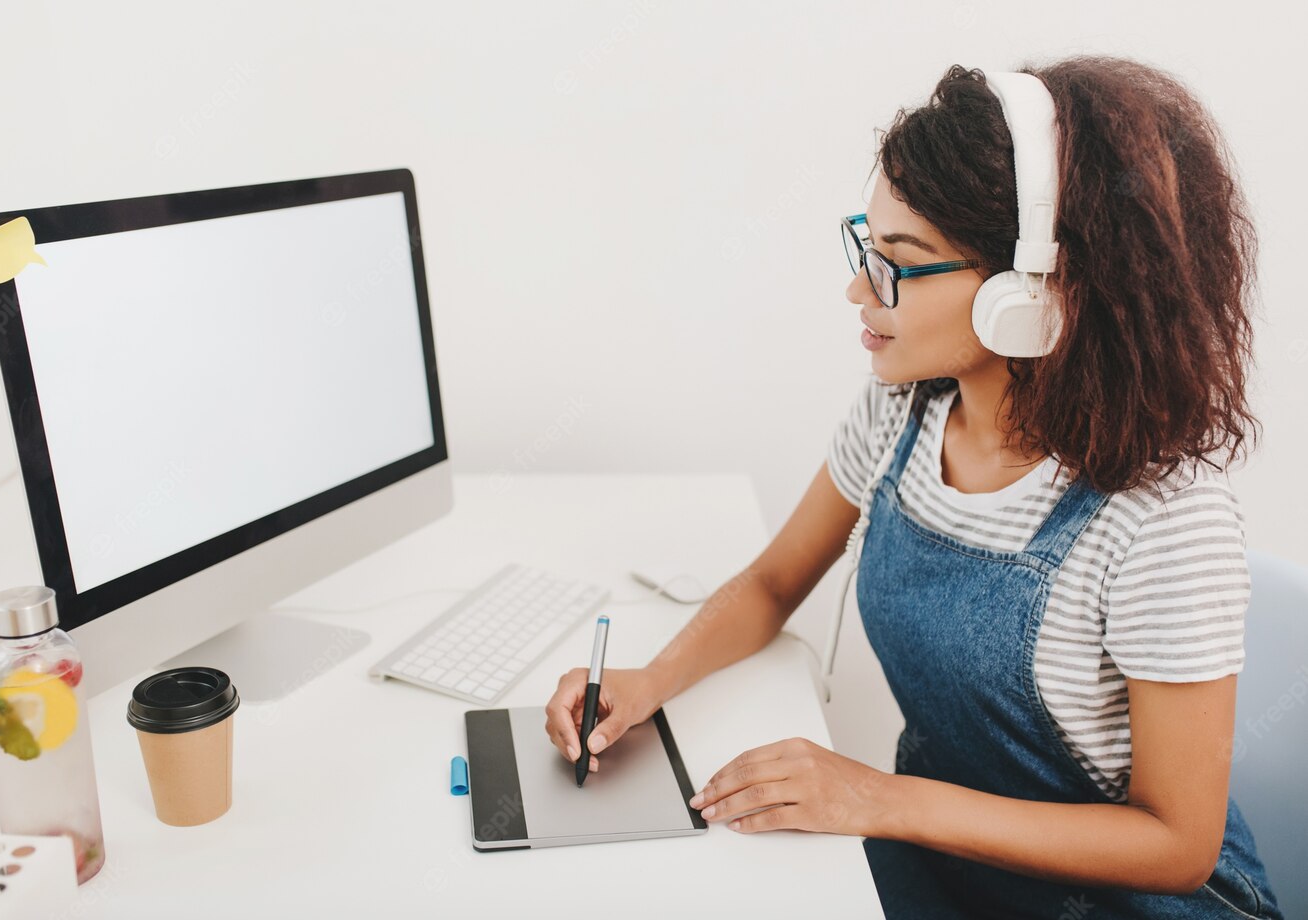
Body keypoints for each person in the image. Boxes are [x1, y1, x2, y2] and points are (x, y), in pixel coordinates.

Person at [544, 55, 1282, 918]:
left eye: (900, 261)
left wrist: (878, 798)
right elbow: (775, 582)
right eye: (867, 246)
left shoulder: (1162, 520)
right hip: (952, 866)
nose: (859, 289)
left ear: (1033, 292)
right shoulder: (900, 417)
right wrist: (648, 682)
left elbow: (1178, 846)